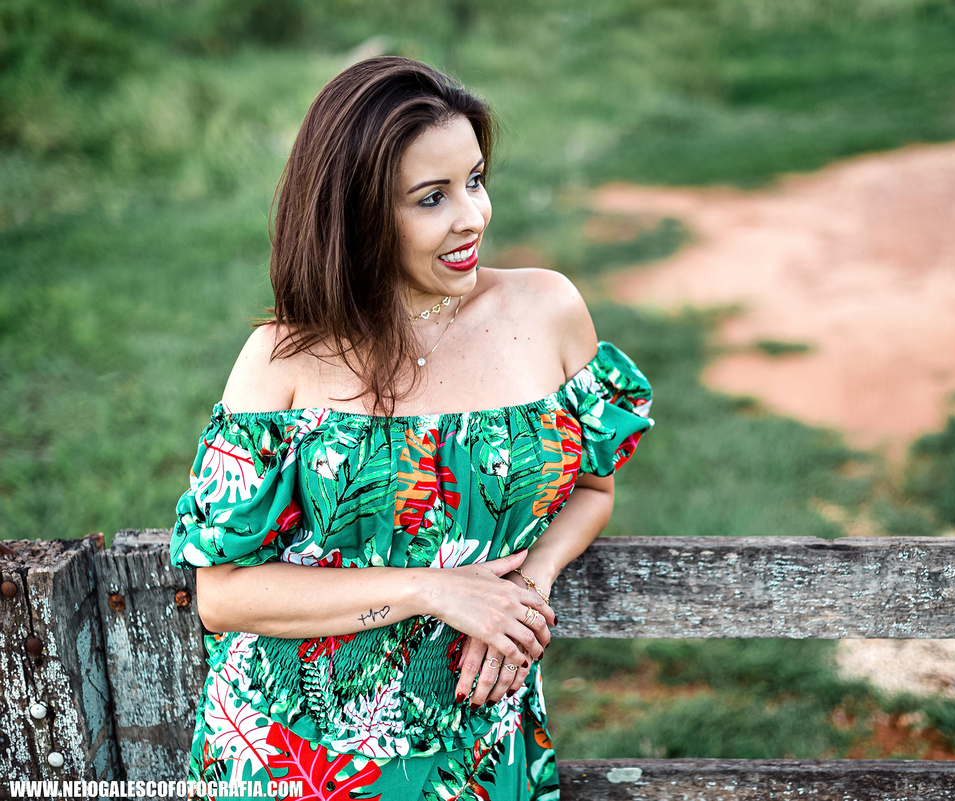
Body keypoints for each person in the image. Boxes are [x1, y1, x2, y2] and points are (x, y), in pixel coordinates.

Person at [168, 57, 653, 800]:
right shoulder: (283, 360)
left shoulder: (547, 312)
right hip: (297, 756)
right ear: (357, 214)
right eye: (432, 198)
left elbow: (592, 488)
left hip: (481, 745)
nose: (473, 217)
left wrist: (525, 588)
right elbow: (224, 592)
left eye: (475, 180)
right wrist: (431, 589)